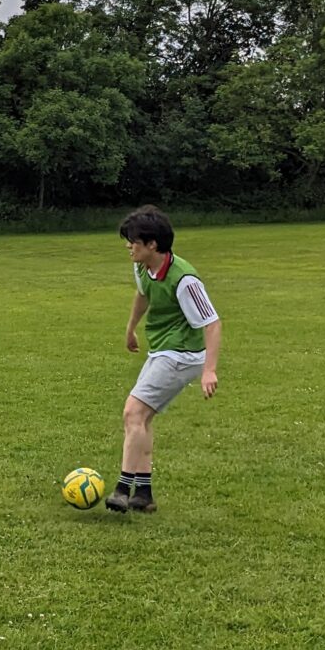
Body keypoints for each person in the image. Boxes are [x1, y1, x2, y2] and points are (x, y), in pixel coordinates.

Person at [110, 205, 222, 513]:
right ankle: (143, 494)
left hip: (183, 354)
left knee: (133, 412)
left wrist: (209, 370)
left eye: (133, 241)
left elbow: (212, 323)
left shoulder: (184, 280)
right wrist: (131, 328)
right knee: (143, 418)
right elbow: (143, 294)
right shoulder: (142, 266)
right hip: (163, 349)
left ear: (152, 244)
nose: (128, 246)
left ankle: (122, 489)